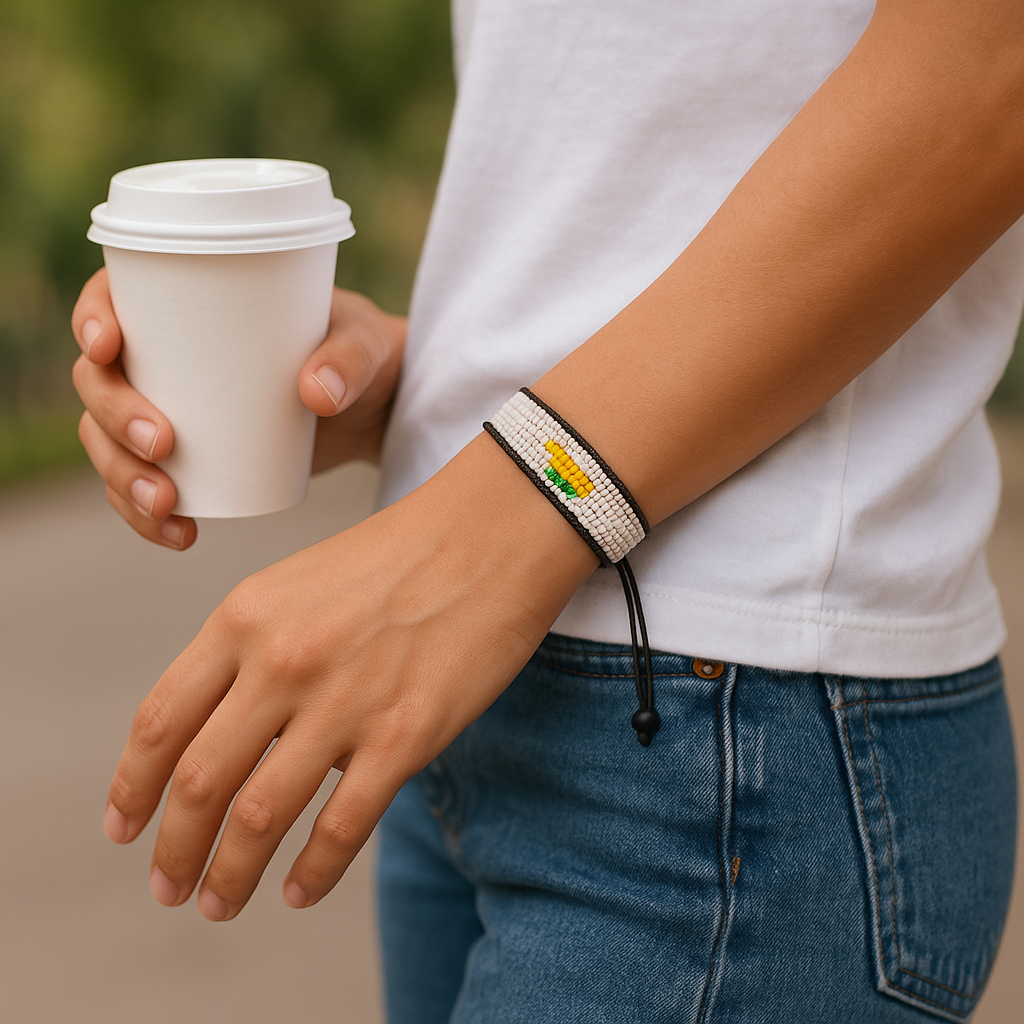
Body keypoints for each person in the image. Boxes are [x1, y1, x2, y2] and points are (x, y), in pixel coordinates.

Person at [71, 1, 1023, 1021]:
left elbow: (990, 71)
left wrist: (496, 517)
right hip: (463, 676)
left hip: (723, 720)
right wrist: (438, 389)